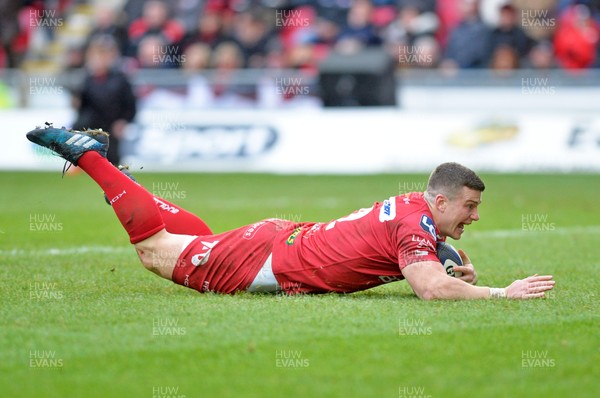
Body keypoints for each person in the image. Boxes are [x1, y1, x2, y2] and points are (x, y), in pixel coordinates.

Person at [26, 125, 555, 300]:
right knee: (151, 251)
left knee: (189, 238)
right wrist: (498, 292)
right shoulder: (415, 222)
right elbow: (429, 287)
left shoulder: (416, 212)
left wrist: (452, 258)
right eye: (469, 207)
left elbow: (428, 258)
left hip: (279, 242)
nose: (474, 216)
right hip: (269, 260)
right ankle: (89, 157)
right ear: (439, 200)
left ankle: (113, 177)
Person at [71, 35, 136, 166]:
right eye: (95, 55)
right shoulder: (87, 80)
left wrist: (123, 122)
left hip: (111, 129)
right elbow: (83, 109)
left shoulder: (120, 79)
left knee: (112, 164)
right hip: (92, 129)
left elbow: (130, 106)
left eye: (102, 55)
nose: (98, 60)